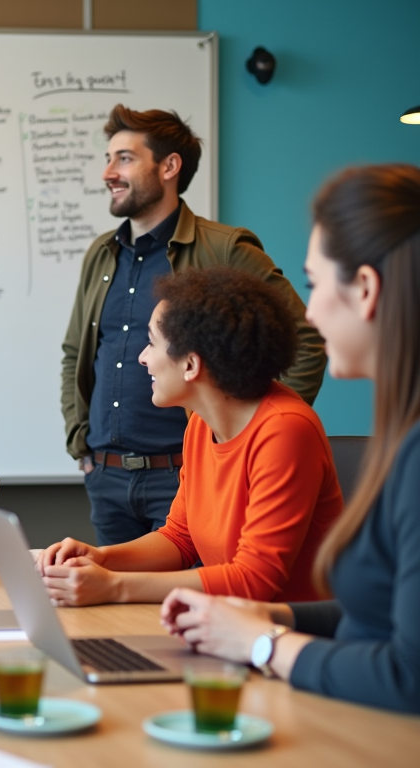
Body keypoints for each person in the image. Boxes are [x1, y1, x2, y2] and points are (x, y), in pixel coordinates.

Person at [160, 164, 420, 714]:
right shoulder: (404, 441)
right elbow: (375, 618)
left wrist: (262, 643)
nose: (310, 311)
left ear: (366, 290)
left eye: (314, 284)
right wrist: (270, 619)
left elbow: (409, 675)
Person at [60, 104, 327, 546]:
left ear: (169, 166)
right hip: (105, 476)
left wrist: (261, 435)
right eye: (107, 159)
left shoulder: (226, 249)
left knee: (192, 608)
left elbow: (305, 339)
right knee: (113, 608)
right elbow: (76, 352)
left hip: (187, 475)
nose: (108, 172)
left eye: (124, 158)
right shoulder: (100, 253)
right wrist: (80, 444)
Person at [38, 267, 342, 606]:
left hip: (290, 642)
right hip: (228, 630)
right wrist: (100, 557)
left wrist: (114, 586)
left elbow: (253, 580)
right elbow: (180, 540)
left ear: (190, 365)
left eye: (151, 342)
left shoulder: (285, 430)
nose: (142, 357)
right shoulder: (200, 424)